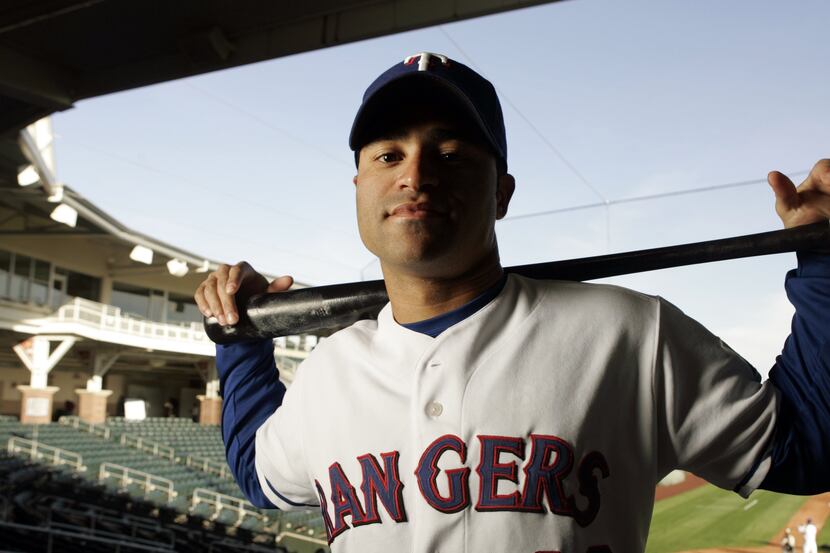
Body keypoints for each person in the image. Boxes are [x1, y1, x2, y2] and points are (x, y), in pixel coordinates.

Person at [194, 52, 830, 552]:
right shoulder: (329, 372)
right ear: (360, 185)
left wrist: (825, 263)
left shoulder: (630, 333)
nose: (415, 174)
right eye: (389, 154)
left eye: (449, 153)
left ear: (501, 192)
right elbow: (262, 472)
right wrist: (241, 341)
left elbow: (806, 446)